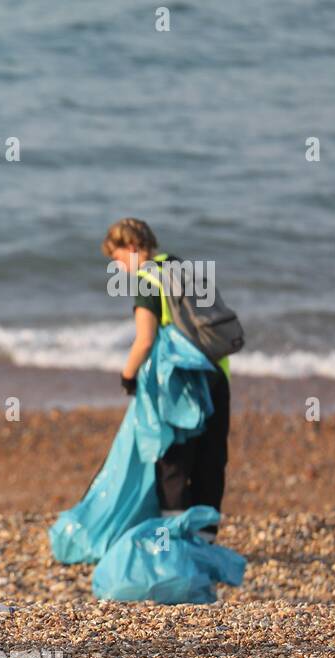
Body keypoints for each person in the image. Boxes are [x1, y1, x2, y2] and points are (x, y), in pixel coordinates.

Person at [103, 217, 230, 543]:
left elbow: (144, 340)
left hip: (182, 385)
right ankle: (206, 539)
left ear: (132, 248)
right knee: (210, 461)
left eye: (118, 260)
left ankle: (173, 542)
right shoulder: (182, 268)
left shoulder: (148, 279)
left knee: (173, 464)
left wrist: (127, 376)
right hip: (217, 374)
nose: (119, 269)